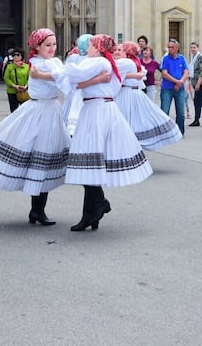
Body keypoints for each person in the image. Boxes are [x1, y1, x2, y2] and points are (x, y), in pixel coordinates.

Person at [0, 29, 73, 226]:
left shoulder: (51, 63)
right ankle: (37, 210)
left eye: (54, 44)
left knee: (45, 160)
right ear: (37, 47)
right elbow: (61, 79)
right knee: (40, 158)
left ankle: (37, 210)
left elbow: (64, 78)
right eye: (48, 45)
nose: (52, 48)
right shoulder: (39, 64)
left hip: (50, 110)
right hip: (40, 111)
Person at [54, 34, 153, 231]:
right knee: (89, 163)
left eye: (91, 45)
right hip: (98, 108)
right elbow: (77, 83)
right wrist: (92, 80)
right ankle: (92, 212)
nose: (88, 48)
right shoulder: (103, 62)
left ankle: (96, 206)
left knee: (86, 160)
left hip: (97, 111)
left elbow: (73, 76)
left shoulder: (98, 61)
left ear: (98, 48)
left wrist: (54, 66)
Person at [114, 41, 182, 150]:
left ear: (127, 52)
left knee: (125, 119)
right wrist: (134, 75)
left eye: (120, 50)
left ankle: (126, 144)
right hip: (132, 92)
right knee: (136, 118)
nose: (116, 52)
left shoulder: (125, 62)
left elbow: (112, 71)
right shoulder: (134, 61)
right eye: (116, 50)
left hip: (127, 93)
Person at [159, 39, 189, 135]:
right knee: (165, 111)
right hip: (167, 88)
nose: (170, 49)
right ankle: (165, 132)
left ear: (177, 48)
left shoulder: (182, 58)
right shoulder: (166, 59)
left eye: (172, 47)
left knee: (180, 112)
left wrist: (181, 82)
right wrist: (177, 82)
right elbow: (164, 73)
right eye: (169, 47)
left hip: (179, 88)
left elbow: (186, 72)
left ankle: (179, 131)